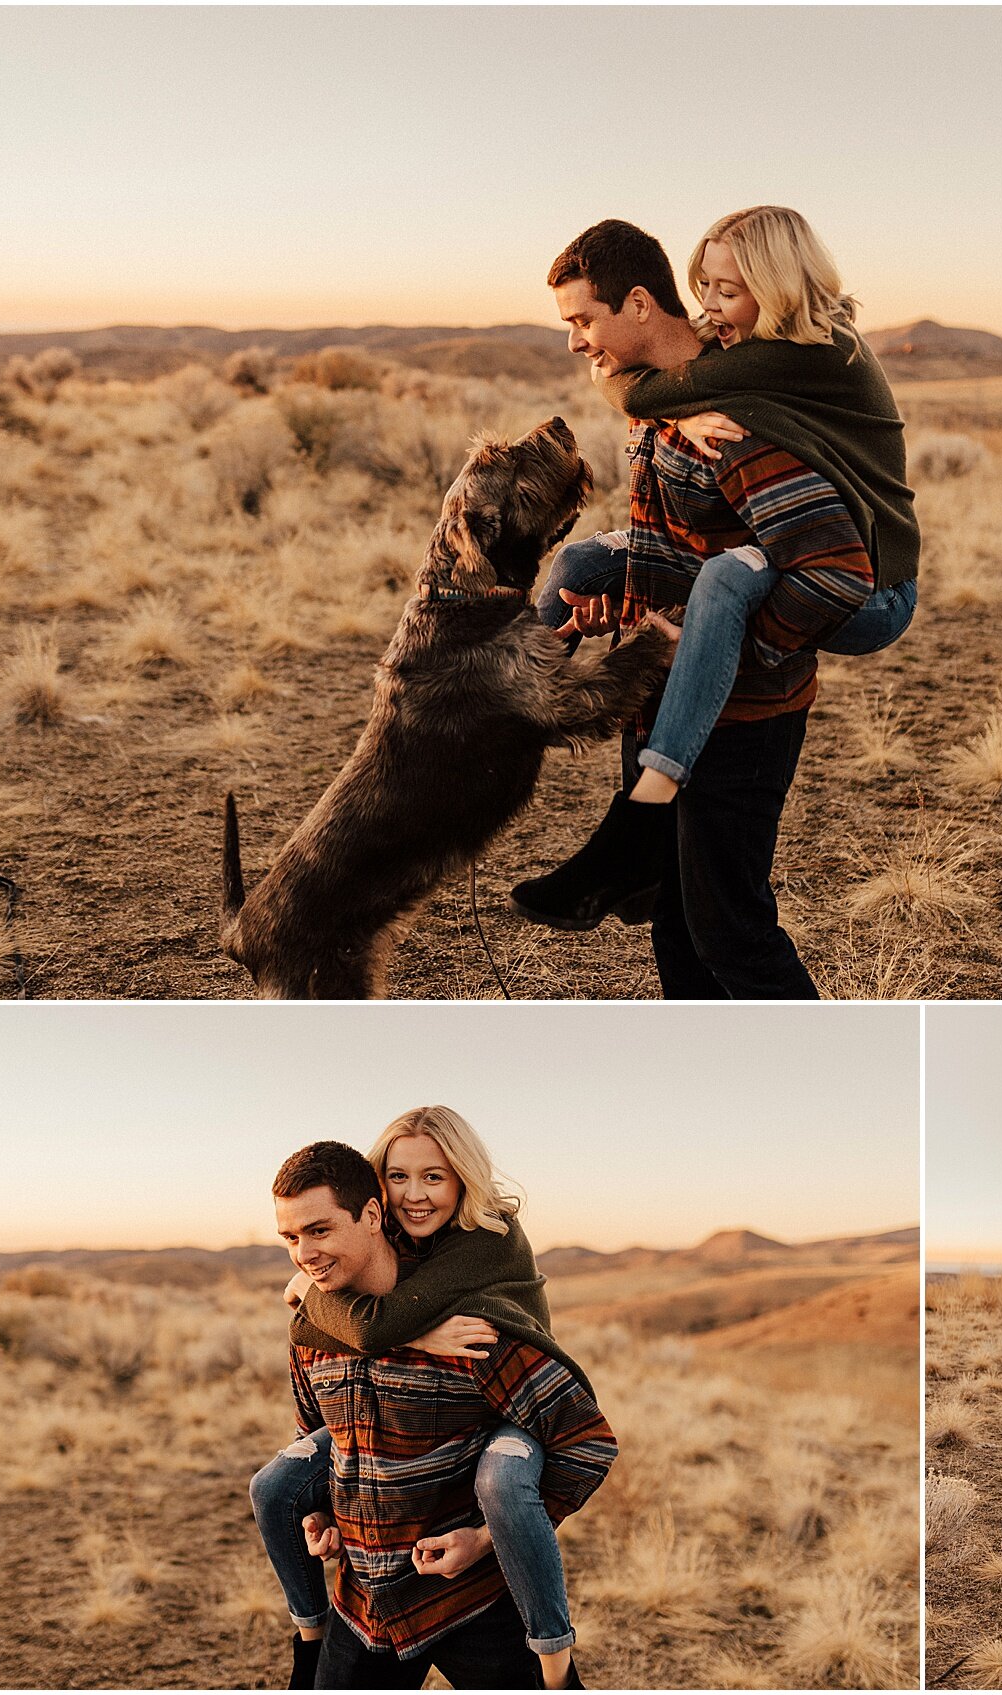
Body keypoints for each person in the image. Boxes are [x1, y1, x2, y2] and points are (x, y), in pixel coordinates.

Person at [512, 212, 918, 998]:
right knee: (678, 925)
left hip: (748, 716)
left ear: (635, 306)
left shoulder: (756, 406)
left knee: (731, 931)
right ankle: (507, 716)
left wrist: (719, 630)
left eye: (583, 320)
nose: (573, 342)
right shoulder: (684, 395)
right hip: (667, 698)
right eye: (708, 288)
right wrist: (630, 614)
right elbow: (667, 534)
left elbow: (832, 574)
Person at [263, 1131, 615, 1690]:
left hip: (470, 1603)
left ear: (372, 1214)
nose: (305, 1254)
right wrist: (323, 1513)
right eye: (291, 1237)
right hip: (364, 1605)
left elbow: (585, 1439)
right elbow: (317, 1431)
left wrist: (484, 1537)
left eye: (321, 1230)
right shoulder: (312, 1332)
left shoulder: (472, 1332)